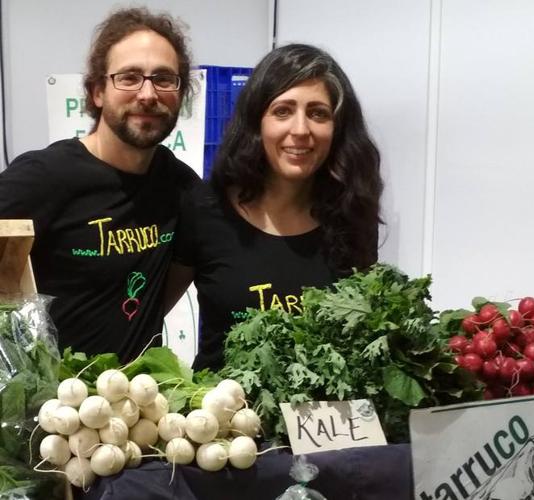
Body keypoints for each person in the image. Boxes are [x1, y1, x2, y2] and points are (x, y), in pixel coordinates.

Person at [166, 43, 383, 371]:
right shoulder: (206, 207)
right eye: (283, 111)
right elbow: (149, 312)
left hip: (319, 419)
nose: (300, 130)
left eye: (318, 113)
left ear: (337, 129)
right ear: (257, 122)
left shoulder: (351, 216)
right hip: (220, 417)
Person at [0, 7, 200, 362]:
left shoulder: (182, 187)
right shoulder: (43, 177)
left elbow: (170, 284)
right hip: (52, 405)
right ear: (96, 92)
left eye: (164, 78)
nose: (148, 93)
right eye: (129, 77)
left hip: (136, 404)